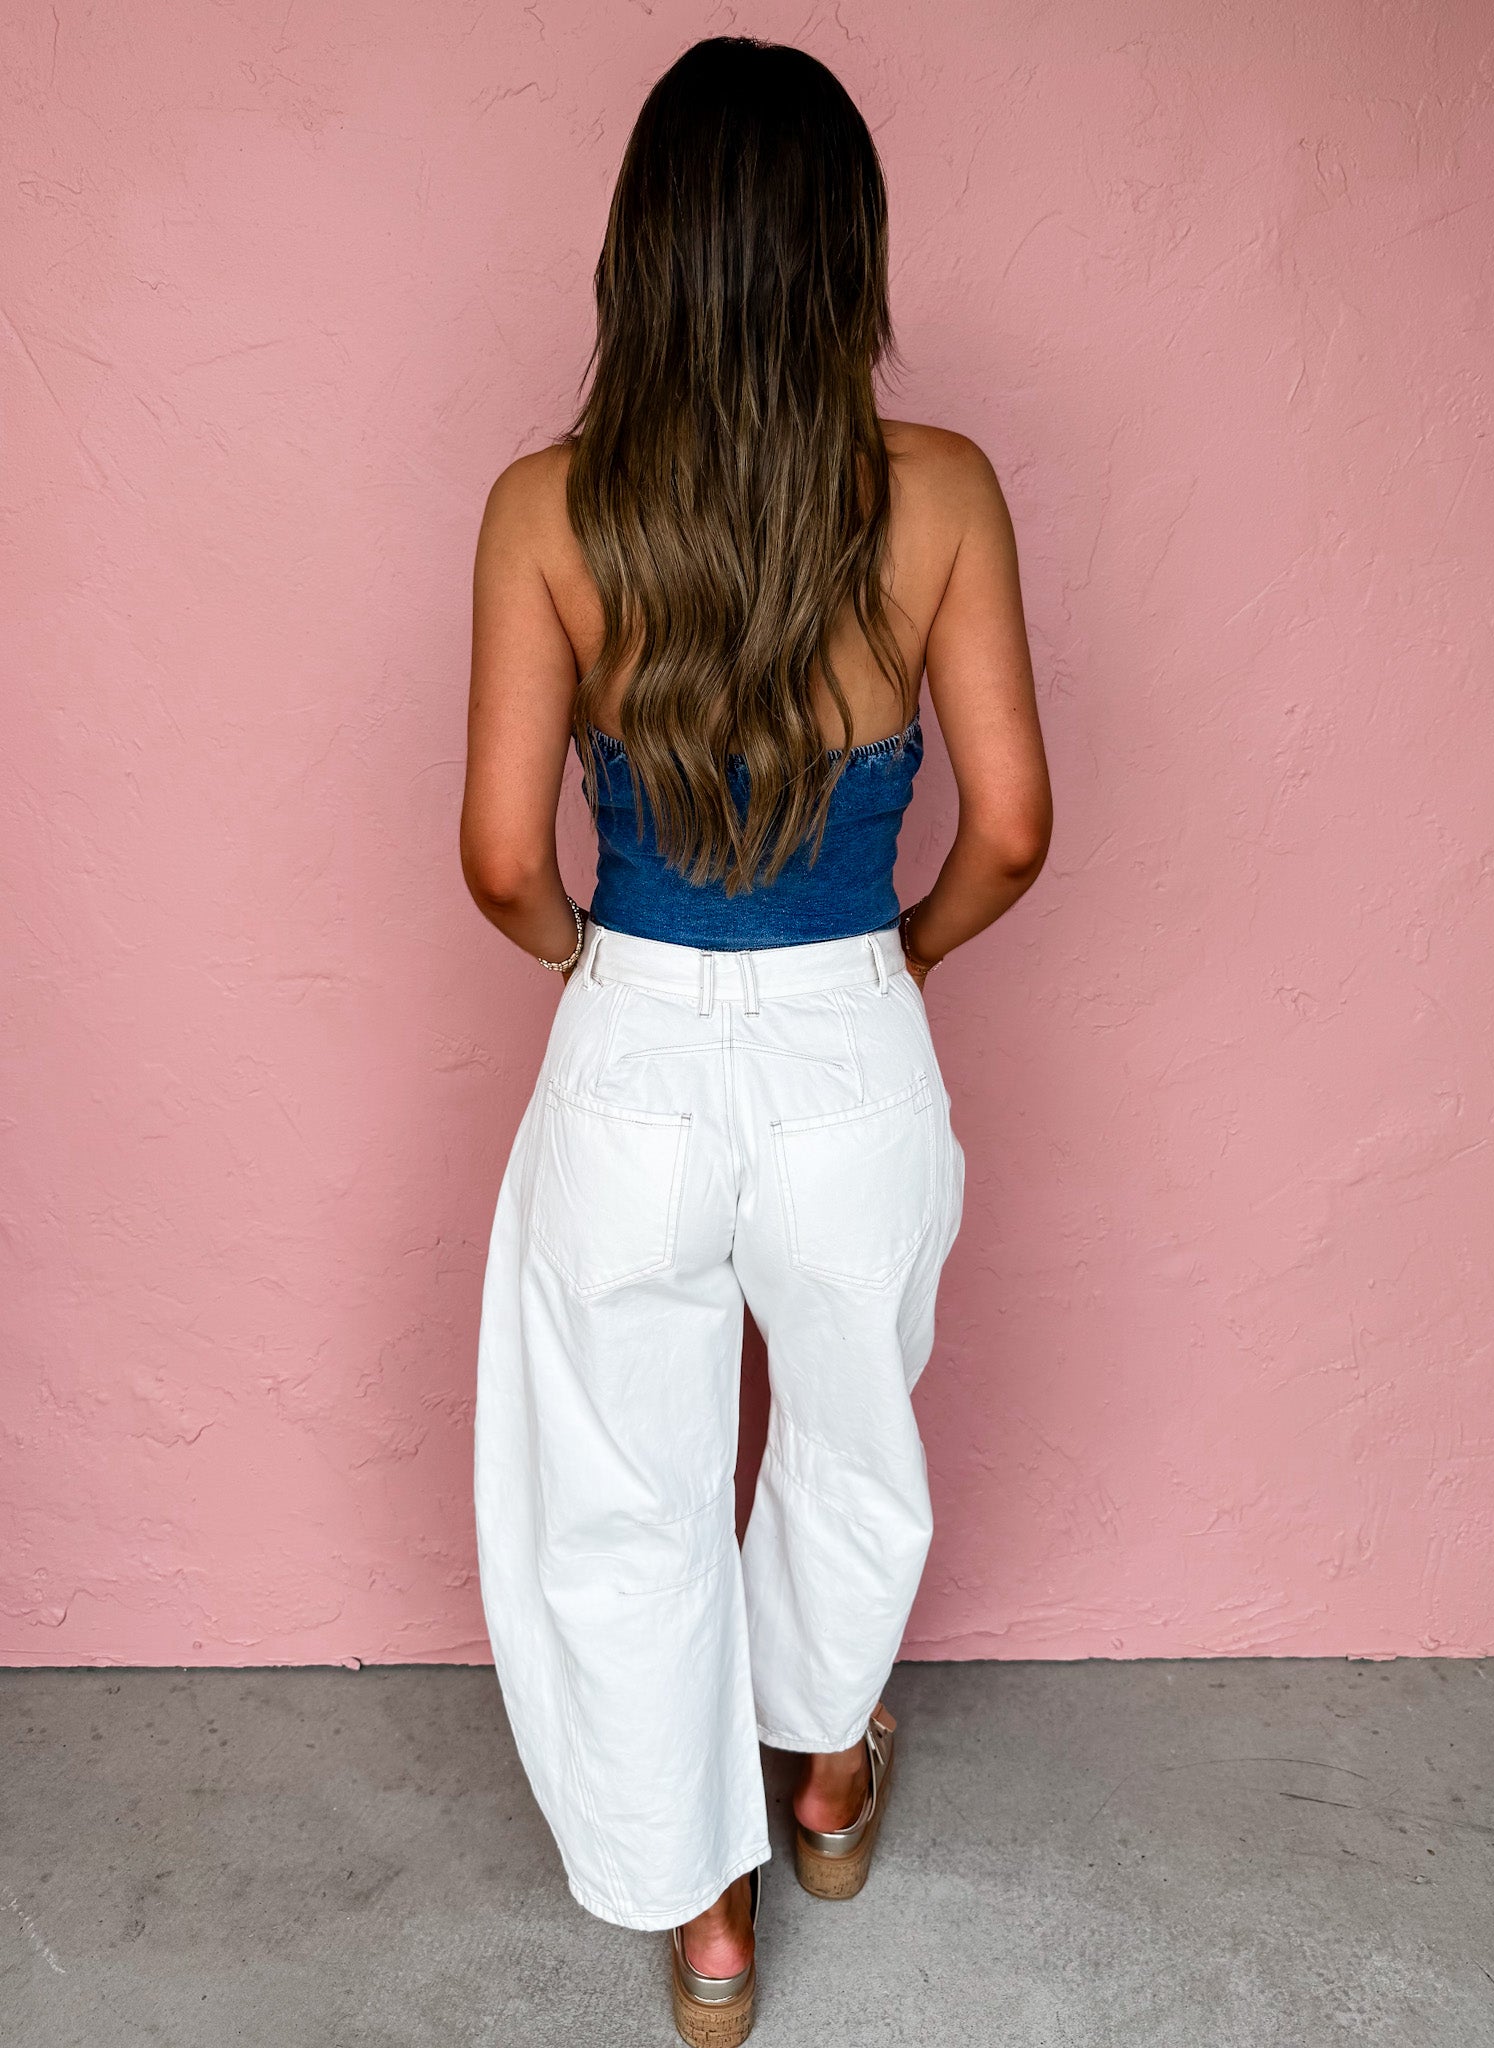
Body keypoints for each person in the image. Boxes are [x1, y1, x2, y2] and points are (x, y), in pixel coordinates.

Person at [460, 35, 1051, 2045]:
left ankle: (707, 1926)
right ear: (842, 251)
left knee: (624, 1492)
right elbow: (1016, 828)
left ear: (646, 251)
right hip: (846, 1049)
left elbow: (498, 859)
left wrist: (598, 965)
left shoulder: (548, 509)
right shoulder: (941, 491)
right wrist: (898, 956)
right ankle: (823, 1783)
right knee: (852, 1443)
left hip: (631, 1041)